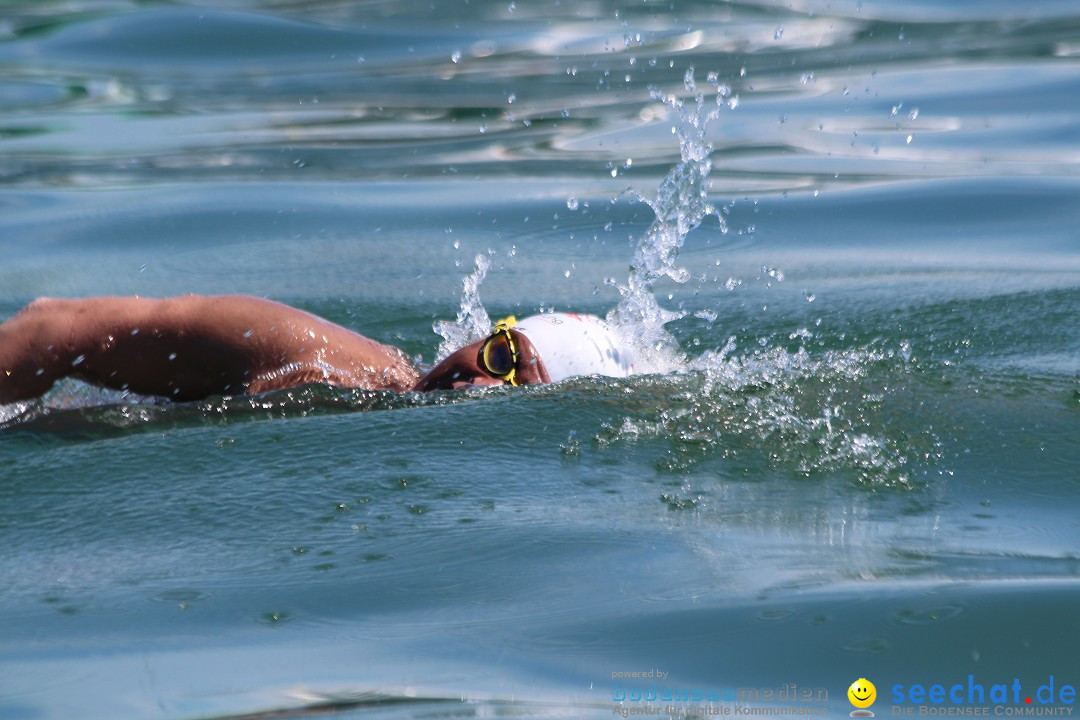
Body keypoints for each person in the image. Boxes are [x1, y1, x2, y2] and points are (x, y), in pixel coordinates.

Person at [0, 295, 635, 405]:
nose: (482, 386)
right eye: (500, 357)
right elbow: (55, 328)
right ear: (482, 334)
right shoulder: (321, 359)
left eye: (518, 393)